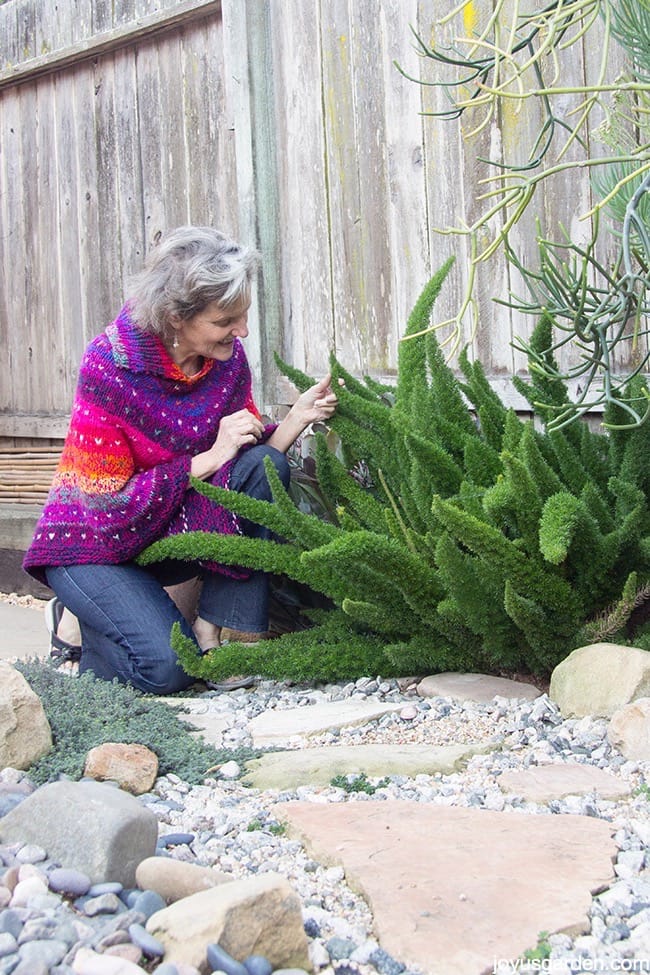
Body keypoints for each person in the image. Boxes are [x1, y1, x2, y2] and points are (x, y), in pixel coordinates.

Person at [23, 226, 339, 694]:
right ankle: (85, 616)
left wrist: (295, 420)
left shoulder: (226, 360)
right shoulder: (109, 365)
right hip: (92, 544)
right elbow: (107, 511)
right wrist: (211, 456)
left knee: (263, 468)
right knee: (166, 671)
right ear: (175, 316)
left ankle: (212, 633)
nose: (242, 330)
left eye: (243, 316)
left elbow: (247, 473)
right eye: (226, 320)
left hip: (165, 533)